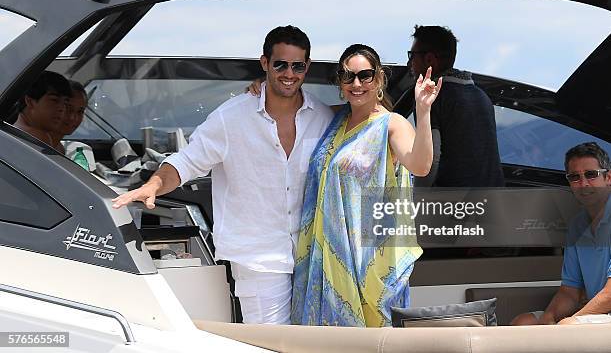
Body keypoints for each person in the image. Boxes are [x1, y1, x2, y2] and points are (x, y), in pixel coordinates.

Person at [112, 25, 334, 324]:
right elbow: (186, 162)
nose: (289, 73)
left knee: (317, 342)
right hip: (258, 258)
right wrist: (153, 184)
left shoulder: (323, 116)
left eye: (297, 65)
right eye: (280, 64)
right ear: (265, 63)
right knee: (270, 345)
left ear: (307, 67)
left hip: (315, 256)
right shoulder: (231, 117)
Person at [291, 44, 440, 327]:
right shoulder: (335, 120)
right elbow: (292, 107)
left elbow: (420, 165)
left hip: (371, 263)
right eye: (348, 76)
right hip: (325, 261)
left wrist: (423, 111)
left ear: (380, 78)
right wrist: (262, 86)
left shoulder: (391, 124)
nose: (356, 84)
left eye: (365, 75)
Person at [511, 142, 611, 325]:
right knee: (523, 323)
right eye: (575, 177)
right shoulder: (577, 226)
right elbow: (569, 291)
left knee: (568, 326)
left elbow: (610, 295)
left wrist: (571, 321)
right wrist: (549, 317)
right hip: (598, 315)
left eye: (591, 174)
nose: (583, 184)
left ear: (608, 178)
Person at [406, 25, 504, 187]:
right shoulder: (481, 96)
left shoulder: (431, 98)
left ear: (429, 59)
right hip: (493, 200)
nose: (410, 62)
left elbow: (430, 159)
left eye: (412, 55)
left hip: (454, 204)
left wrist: (417, 200)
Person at [13, 70, 72, 153]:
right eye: (54, 100)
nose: (62, 108)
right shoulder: (37, 138)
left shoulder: (14, 133)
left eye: (65, 103)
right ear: (30, 101)